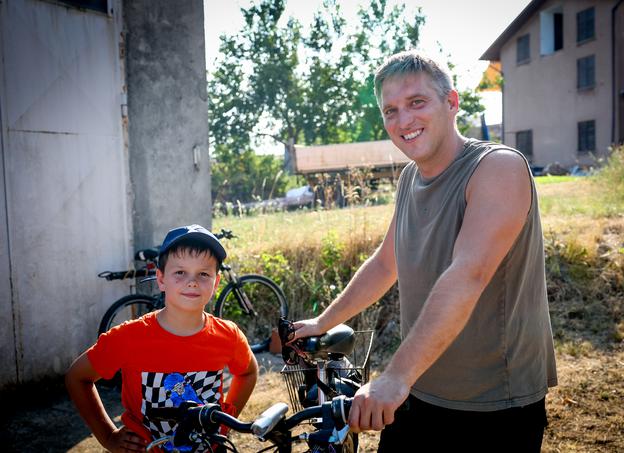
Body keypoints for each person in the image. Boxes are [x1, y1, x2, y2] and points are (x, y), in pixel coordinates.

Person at [292, 51, 557, 451]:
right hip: (420, 384)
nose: (403, 121)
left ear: (451, 103)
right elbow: (385, 263)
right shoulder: (410, 179)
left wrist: (394, 375)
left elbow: (468, 273)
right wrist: (323, 321)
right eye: (391, 110)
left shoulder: (497, 168)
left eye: (417, 102)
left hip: (493, 402)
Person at [66, 225, 258, 452]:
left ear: (216, 283)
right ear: (160, 279)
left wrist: (223, 421)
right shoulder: (128, 337)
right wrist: (108, 436)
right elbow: (77, 377)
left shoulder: (228, 335)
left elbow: (248, 372)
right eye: (180, 272)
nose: (192, 281)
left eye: (203, 274)